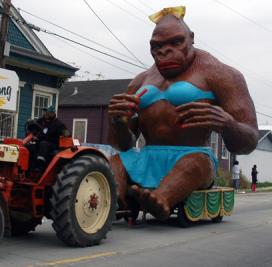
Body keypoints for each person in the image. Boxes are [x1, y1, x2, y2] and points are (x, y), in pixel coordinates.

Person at [108, 6, 258, 220]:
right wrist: (118, 122)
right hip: (148, 157)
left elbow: (250, 139)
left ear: (191, 39)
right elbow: (123, 145)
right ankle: (111, 202)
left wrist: (228, 124)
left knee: (195, 163)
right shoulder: (140, 81)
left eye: (175, 42)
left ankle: (162, 198)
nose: (164, 51)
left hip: (193, 156)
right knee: (116, 162)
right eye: (156, 46)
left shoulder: (221, 74)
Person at [26, 105, 68, 172]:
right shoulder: (40, 121)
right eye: (45, 112)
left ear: (52, 113)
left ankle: (39, 166)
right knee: (29, 146)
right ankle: (28, 168)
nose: (45, 114)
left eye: (47, 112)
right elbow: (34, 129)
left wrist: (66, 134)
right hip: (39, 142)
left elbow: (67, 134)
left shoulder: (59, 124)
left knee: (44, 144)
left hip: (53, 145)